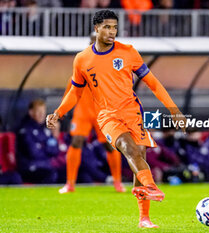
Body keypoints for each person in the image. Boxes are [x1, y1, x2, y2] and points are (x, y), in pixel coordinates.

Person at [46, 10, 186, 228]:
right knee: (127, 147)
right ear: (96, 29)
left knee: (139, 154)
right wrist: (58, 113)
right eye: (107, 27)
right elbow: (75, 91)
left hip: (132, 112)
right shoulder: (82, 59)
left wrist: (174, 110)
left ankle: (144, 218)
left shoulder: (128, 52)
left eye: (115, 27)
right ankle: (150, 185)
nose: (112, 31)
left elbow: (153, 83)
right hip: (107, 115)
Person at [59, 32, 126, 194]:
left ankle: (117, 182)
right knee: (76, 141)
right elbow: (73, 88)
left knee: (109, 145)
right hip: (83, 110)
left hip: (102, 111)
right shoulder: (82, 61)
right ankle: (70, 183)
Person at [17, 99, 59, 184]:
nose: (42, 115)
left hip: (46, 166)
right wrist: (46, 147)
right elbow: (33, 153)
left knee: (66, 174)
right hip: (30, 168)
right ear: (31, 112)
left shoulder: (45, 130)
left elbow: (55, 150)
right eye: (39, 112)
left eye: (43, 112)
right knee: (51, 175)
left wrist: (42, 146)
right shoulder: (25, 130)